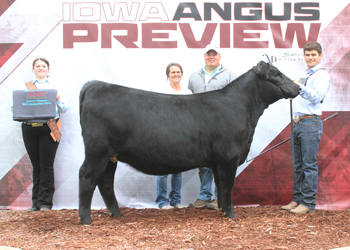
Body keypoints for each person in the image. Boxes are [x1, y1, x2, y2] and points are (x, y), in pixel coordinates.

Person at [281, 42, 331, 214]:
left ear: (320, 55)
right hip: (298, 122)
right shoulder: (305, 73)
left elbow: (317, 97)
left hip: (310, 123)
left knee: (308, 165)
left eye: (313, 55)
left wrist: (299, 86)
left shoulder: (321, 75)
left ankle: (308, 203)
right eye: (307, 55)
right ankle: (297, 200)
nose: (310, 58)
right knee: (298, 165)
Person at [188, 44, 237, 210]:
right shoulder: (194, 76)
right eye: (208, 54)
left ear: (219, 57)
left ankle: (219, 198)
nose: (211, 57)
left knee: (222, 162)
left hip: (222, 127)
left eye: (214, 54)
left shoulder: (230, 75)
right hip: (199, 126)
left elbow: (236, 99)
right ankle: (205, 196)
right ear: (204, 57)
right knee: (203, 162)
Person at [20, 58, 70, 211]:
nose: (41, 68)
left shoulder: (55, 86)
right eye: (38, 66)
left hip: (50, 126)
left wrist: (58, 98)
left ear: (48, 69)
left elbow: (65, 108)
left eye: (43, 66)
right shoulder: (26, 87)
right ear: (33, 69)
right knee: (36, 166)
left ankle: (45, 203)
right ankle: (35, 203)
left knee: (46, 166)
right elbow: (15, 107)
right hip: (29, 127)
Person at [155, 63, 192, 209]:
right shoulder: (162, 91)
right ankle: (162, 202)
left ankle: (176, 201)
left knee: (178, 170)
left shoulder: (188, 93)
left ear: (182, 74)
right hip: (164, 135)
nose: (176, 74)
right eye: (173, 72)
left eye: (178, 72)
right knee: (163, 171)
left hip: (182, 137)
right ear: (168, 75)